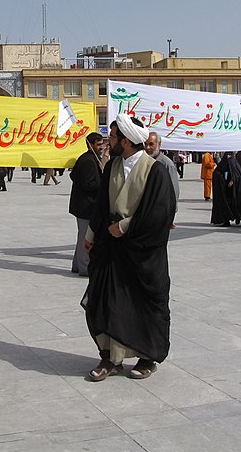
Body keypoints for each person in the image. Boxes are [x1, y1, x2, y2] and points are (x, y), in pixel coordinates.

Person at [82, 115, 176, 381]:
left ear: (125, 141)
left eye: (112, 138)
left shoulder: (154, 170)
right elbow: (101, 205)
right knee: (106, 301)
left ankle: (148, 357)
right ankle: (111, 359)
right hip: (111, 249)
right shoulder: (112, 166)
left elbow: (159, 212)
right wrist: (91, 234)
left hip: (142, 253)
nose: (107, 142)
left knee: (144, 304)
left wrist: (124, 227)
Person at [68, 132, 103, 277]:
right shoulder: (88, 161)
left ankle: (77, 265)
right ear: (91, 145)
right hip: (85, 207)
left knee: (82, 236)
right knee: (85, 237)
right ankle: (84, 268)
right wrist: (104, 184)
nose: (102, 147)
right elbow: (88, 184)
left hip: (83, 206)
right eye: (99, 145)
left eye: (103, 144)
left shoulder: (91, 159)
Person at [210, 152, 241, 227]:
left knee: (239, 204)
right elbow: (217, 172)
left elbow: (239, 176)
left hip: (236, 191)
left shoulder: (234, 163)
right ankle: (226, 220)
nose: (229, 157)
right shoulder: (223, 164)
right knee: (225, 204)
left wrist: (233, 180)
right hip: (226, 191)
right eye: (227, 155)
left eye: (230, 155)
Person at [144, 132, 179, 213]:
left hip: (161, 211)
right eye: (145, 144)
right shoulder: (143, 162)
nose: (148, 147)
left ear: (159, 144)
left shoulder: (167, 165)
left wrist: (171, 212)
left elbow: (174, 191)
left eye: (151, 144)